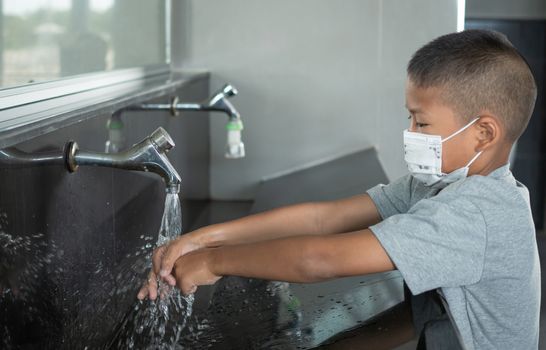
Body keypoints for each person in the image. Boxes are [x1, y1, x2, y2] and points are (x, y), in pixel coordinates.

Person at [138, 30, 540, 350]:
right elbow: (323, 218)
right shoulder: (436, 186)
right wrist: (199, 241)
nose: (410, 133)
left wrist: (214, 262)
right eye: (410, 118)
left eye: (422, 123)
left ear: (483, 134)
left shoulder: (477, 212)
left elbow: (319, 259)